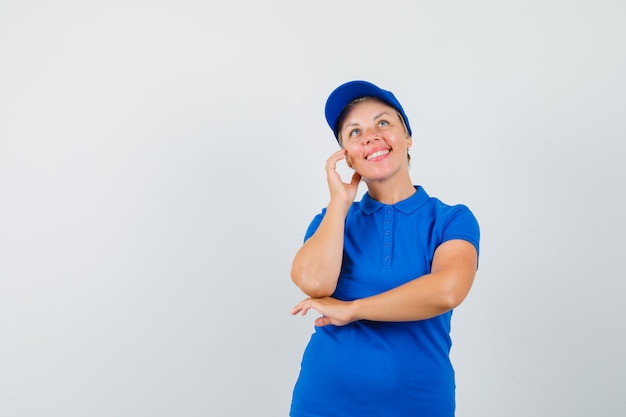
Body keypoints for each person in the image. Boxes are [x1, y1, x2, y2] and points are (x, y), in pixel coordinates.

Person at [289, 80, 480, 417]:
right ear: (346, 156)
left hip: (418, 403)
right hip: (324, 402)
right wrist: (339, 204)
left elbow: (447, 290)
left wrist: (353, 309)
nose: (371, 136)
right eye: (354, 132)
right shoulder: (332, 221)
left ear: (407, 137)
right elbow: (313, 284)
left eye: (383, 123)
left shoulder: (451, 219)